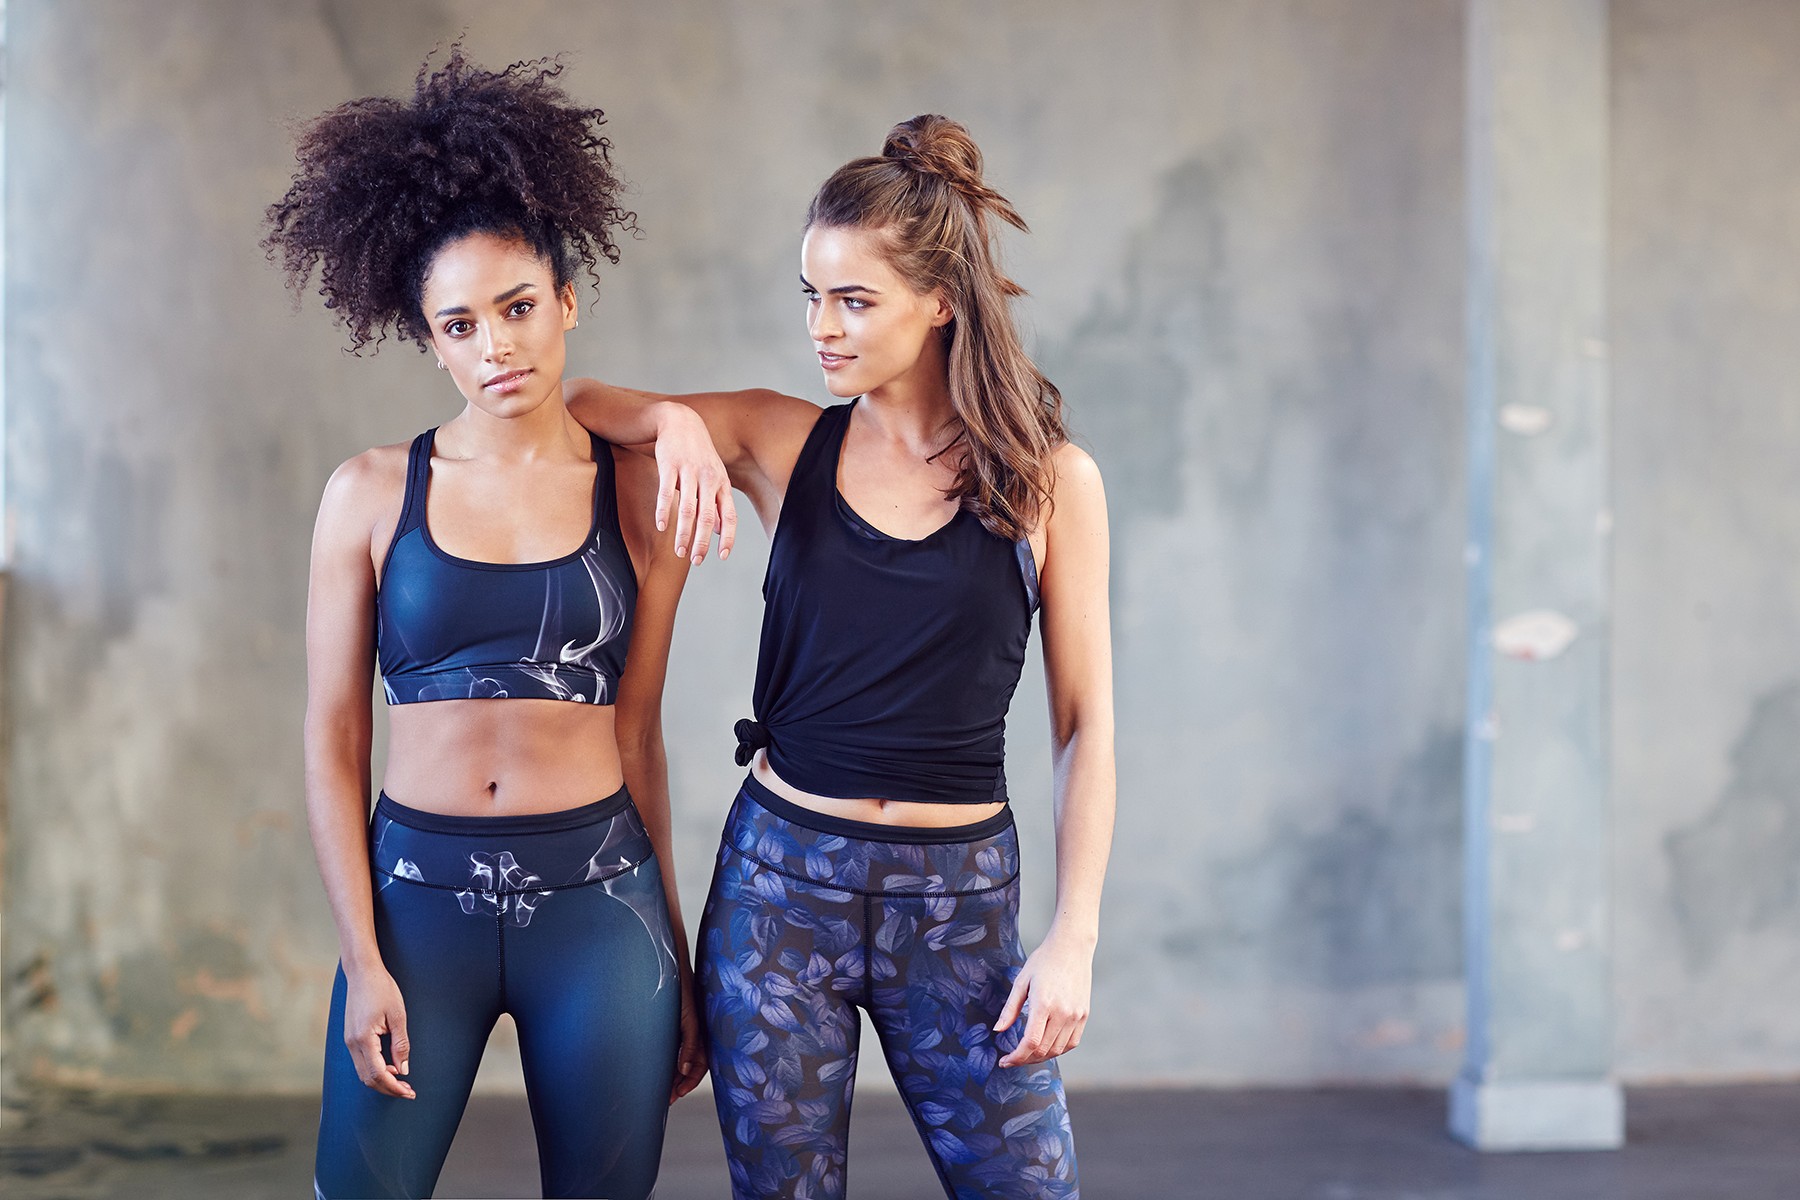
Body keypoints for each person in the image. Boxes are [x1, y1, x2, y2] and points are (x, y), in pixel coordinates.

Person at [568, 114, 1115, 1200]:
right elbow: (580, 405)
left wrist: (1074, 937)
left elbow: (1084, 723)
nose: (823, 326)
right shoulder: (785, 440)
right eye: (811, 295)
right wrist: (677, 421)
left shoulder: (1051, 482)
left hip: (958, 903)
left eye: (854, 300)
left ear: (941, 301)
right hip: (780, 895)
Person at [265, 49, 733, 1199]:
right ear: (429, 339)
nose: (498, 348)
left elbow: (639, 736)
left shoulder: (638, 497)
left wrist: (670, 950)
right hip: (416, 911)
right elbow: (333, 738)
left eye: (519, 309)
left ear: (566, 303)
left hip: (600, 909)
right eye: (461, 325)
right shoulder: (370, 493)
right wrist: (361, 955)